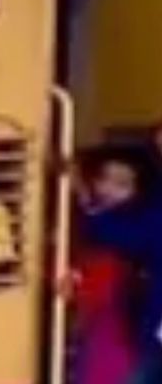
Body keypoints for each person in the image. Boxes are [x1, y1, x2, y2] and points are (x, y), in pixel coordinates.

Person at [73, 147, 162, 384]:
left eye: (122, 184)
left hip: (129, 331)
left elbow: (132, 237)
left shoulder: (129, 224)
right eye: (104, 179)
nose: (109, 189)